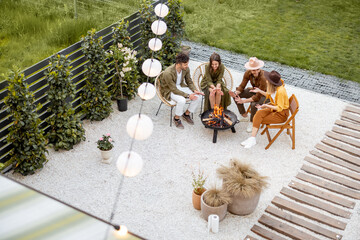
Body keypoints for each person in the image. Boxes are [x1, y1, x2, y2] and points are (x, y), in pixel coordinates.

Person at [241, 70, 289, 149]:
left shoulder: (280, 91)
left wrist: (266, 105)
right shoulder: (275, 88)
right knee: (258, 114)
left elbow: (279, 108)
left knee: (259, 119)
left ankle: (252, 139)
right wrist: (259, 91)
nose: (266, 81)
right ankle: (252, 138)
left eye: (268, 80)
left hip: (281, 114)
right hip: (274, 108)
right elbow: (270, 96)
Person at [160, 53, 204, 129]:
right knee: (182, 100)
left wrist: (194, 90)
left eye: (187, 64)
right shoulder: (168, 73)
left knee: (198, 97)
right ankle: (176, 118)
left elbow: (189, 81)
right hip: (169, 90)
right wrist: (188, 95)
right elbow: (173, 89)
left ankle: (186, 114)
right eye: (185, 64)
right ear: (179, 64)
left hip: (180, 86)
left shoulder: (186, 69)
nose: (187, 66)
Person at [229, 57, 267, 133]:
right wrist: (236, 93)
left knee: (254, 104)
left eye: (257, 69)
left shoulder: (263, 78)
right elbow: (242, 86)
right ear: (250, 69)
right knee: (235, 96)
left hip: (265, 95)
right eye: (253, 70)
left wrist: (243, 101)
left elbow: (257, 97)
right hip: (255, 91)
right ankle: (244, 116)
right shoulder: (247, 73)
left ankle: (252, 122)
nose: (256, 71)